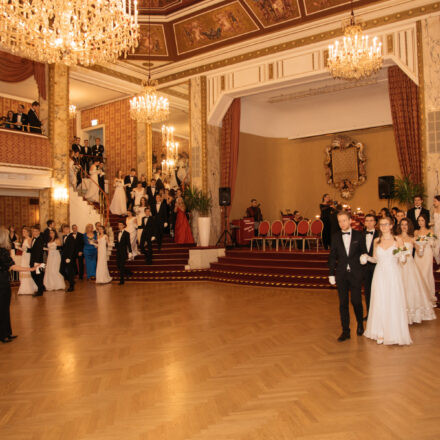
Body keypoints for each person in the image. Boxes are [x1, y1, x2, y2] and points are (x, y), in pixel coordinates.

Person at [363, 217, 412, 345]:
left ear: (391, 226)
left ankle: (393, 331)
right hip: (379, 274)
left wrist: (402, 257)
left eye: (386, 224)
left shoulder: (398, 240)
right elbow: (375, 259)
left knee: (392, 300)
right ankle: (380, 331)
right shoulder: (376, 241)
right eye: (381, 224)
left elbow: (404, 260)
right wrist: (367, 258)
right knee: (379, 300)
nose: (383, 227)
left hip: (393, 274)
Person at [328, 211, 367, 342]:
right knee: (343, 303)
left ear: (350, 221)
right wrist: (331, 273)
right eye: (339, 221)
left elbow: (364, 252)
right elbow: (332, 256)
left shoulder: (359, 235)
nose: (342, 223)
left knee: (356, 301)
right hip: (341, 274)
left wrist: (363, 257)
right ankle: (346, 331)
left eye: (344, 220)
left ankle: (360, 324)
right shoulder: (335, 237)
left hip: (355, 274)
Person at [0, 228, 39, 343]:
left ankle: (7, 332)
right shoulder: (2, 251)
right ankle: (3, 335)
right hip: (2, 282)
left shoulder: (2, 250)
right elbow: (12, 266)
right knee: (3, 308)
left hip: (3, 280)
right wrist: (31, 269)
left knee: (5, 308)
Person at [397, 218, 436, 324]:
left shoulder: (412, 239)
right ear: (399, 226)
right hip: (399, 266)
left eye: (406, 224)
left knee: (411, 289)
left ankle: (412, 314)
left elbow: (419, 253)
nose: (404, 226)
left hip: (410, 266)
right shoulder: (396, 238)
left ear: (409, 226)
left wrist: (421, 248)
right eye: (402, 224)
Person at [414, 213, 437, 305]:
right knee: (418, 274)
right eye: (419, 220)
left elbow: (433, 244)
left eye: (422, 220)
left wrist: (430, 242)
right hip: (418, 254)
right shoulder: (416, 232)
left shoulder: (430, 231)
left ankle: (428, 296)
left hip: (427, 254)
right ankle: (419, 297)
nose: (420, 222)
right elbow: (414, 244)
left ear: (426, 221)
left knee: (426, 274)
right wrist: (418, 249)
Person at [362, 214, 379, 319]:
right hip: (365, 268)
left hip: (377, 267)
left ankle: (378, 314)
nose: (369, 222)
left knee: (378, 290)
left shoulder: (380, 235)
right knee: (367, 291)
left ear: (375, 222)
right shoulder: (360, 235)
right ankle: (369, 314)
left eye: (371, 220)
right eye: (367, 220)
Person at [16, 227, 37, 295]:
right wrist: (18, 247)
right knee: (23, 271)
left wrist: (24, 249)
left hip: (27, 257)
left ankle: (29, 288)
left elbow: (31, 250)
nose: (23, 233)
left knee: (27, 270)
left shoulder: (29, 239)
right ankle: (24, 287)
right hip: (24, 256)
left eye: (24, 231)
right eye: (22, 231)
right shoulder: (24, 239)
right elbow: (24, 249)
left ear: (28, 232)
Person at [28, 225, 45, 296]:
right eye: (33, 231)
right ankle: (41, 288)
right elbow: (34, 250)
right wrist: (28, 250)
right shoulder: (34, 239)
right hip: (33, 260)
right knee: (35, 275)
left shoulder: (40, 239)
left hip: (37, 261)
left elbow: (39, 252)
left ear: (38, 232)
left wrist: (36, 262)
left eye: (35, 231)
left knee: (37, 275)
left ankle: (40, 291)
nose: (34, 233)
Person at [59, 225, 76, 292]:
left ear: (69, 230)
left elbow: (72, 248)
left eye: (66, 229)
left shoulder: (71, 237)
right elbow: (65, 247)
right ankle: (71, 281)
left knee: (69, 272)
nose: (65, 230)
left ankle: (71, 286)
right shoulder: (64, 237)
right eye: (64, 229)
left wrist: (69, 258)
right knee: (61, 270)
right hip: (64, 256)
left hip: (69, 258)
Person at [430, 195, 440, 266]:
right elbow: (434, 221)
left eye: (435, 201)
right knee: (435, 250)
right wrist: (431, 224)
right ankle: (438, 263)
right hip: (436, 232)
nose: (434, 202)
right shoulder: (434, 210)